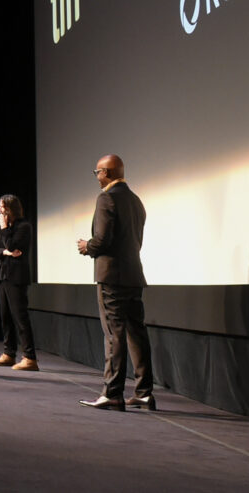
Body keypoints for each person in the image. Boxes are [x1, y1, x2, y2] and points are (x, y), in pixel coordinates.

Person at [76, 155, 155, 411]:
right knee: (136, 334)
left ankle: (112, 393)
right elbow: (135, 241)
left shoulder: (106, 198)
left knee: (114, 334)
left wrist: (87, 246)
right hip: (133, 275)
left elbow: (103, 240)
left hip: (112, 277)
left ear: (106, 173)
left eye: (96, 172)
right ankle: (144, 392)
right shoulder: (135, 200)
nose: (96, 176)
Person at [0, 194, 37, 371]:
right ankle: (8, 354)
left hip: (16, 277)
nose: (0, 211)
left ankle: (30, 357)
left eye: (3, 207)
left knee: (20, 317)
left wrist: (4, 230)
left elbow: (11, 245)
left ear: (11, 208)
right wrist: (6, 253)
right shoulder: (3, 228)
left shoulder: (24, 226)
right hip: (2, 275)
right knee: (5, 317)